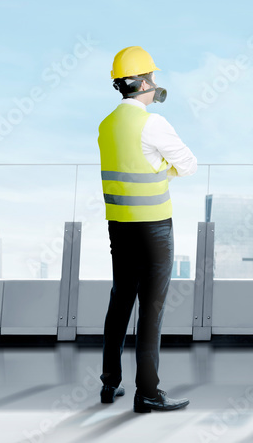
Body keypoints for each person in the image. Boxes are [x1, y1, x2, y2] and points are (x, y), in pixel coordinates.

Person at [98, 46, 196, 413]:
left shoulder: (106, 125)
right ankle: (148, 393)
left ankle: (110, 384)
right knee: (151, 310)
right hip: (153, 229)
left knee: (120, 300)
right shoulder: (154, 123)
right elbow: (188, 165)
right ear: (140, 82)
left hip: (119, 227)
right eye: (152, 78)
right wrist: (165, 170)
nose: (156, 84)